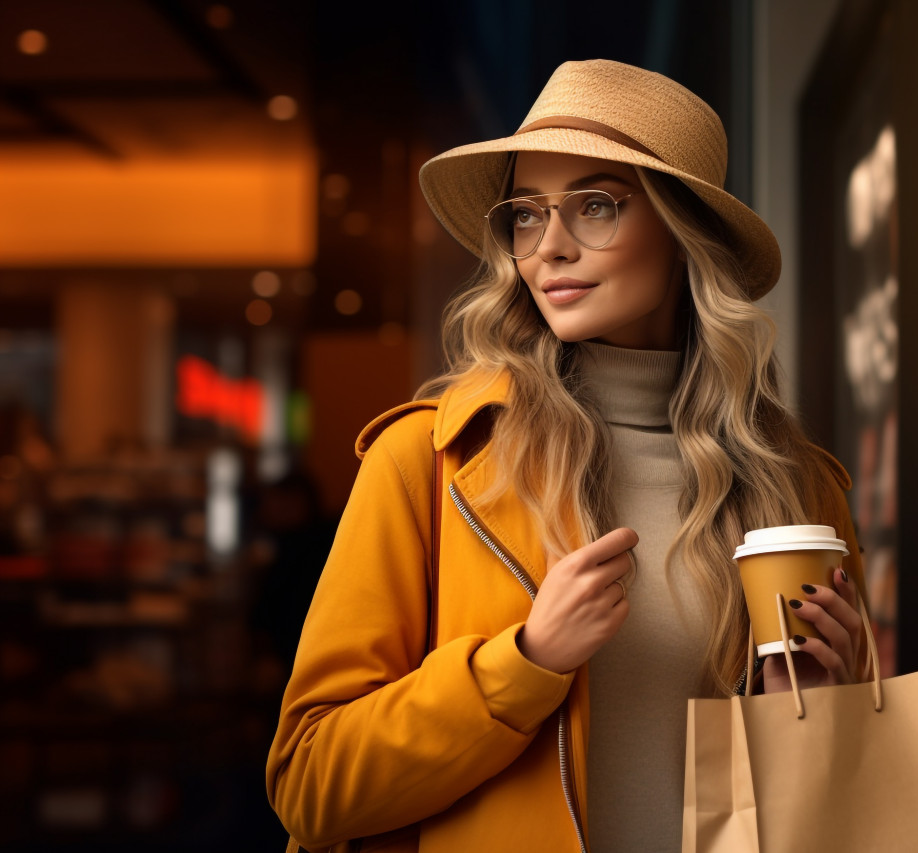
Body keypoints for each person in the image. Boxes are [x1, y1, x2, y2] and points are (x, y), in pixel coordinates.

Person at [266, 59, 868, 853]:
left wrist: (834, 706)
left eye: (594, 206)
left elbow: (840, 810)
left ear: (685, 232)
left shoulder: (796, 484)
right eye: (526, 213)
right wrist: (523, 665)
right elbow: (310, 784)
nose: (548, 246)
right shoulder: (434, 458)